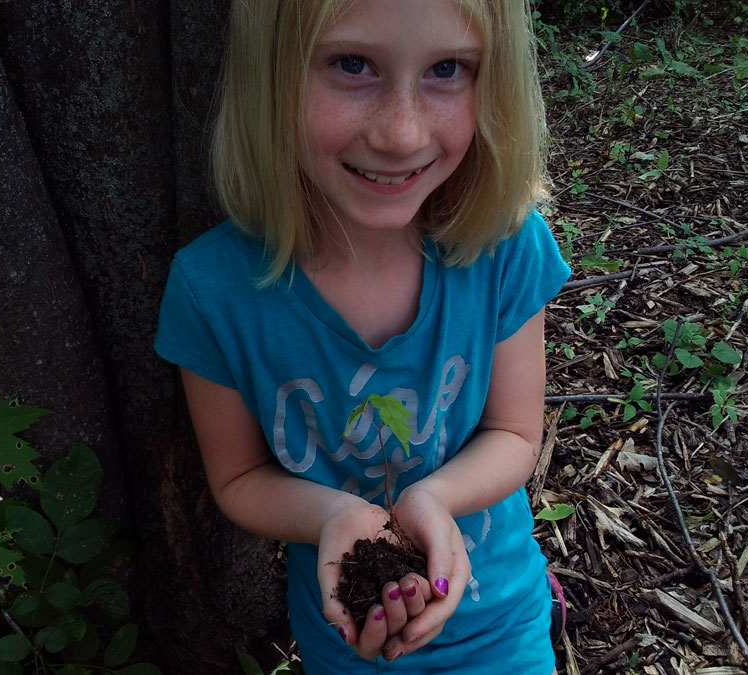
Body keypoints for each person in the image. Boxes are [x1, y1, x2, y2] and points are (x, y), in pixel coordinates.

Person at [155, 0, 571, 672]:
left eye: (446, 69)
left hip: (502, 627)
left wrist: (430, 498)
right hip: (345, 640)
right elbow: (237, 477)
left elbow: (517, 434)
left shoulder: (503, 246)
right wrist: (333, 516)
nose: (402, 134)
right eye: (353, 64)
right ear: (271, 75)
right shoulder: (214, 292)